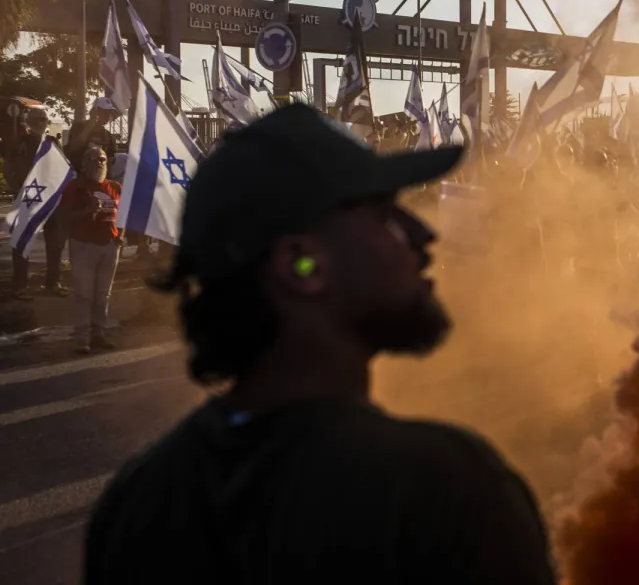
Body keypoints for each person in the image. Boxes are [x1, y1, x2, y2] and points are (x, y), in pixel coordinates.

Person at [84, 104, 557, 585]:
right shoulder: (446, 490)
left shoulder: (138, 501)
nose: (424, 234)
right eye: (384, 216)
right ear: (301, 263)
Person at [59, 147, 123, 353]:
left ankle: (98, 334)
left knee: (103, 294)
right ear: (84, 165)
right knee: (84, 294)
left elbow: (122, 214)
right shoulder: (75, 187)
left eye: (102, 159)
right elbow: (64, 217)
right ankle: (82, 338)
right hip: (83, 245)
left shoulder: (115, 187)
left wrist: (119, 237)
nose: (99, 163)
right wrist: (88, 210)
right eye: (93, 159)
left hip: (109, 246)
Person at [4, 107, 68, 299]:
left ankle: (53, 282)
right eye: (36, 119)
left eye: (43, 119)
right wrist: (17, 187)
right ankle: (20, 286)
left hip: (50, 199)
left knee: (55, 243)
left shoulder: (52, 143)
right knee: (22, 242)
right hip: (28, 198)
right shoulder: (19, 143)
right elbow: (8, 168)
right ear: (29, 122)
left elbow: (62, 167)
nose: (40, 123)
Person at [64, 96, 120, 172]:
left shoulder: (108, 136)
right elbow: (73, 147)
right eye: (105, 112)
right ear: (94, 112)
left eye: (110, 112)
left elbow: (109, 166)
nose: (108, 116)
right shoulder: (78, 127)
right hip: (78, 176)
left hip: (98, 177)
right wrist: (90, 125)